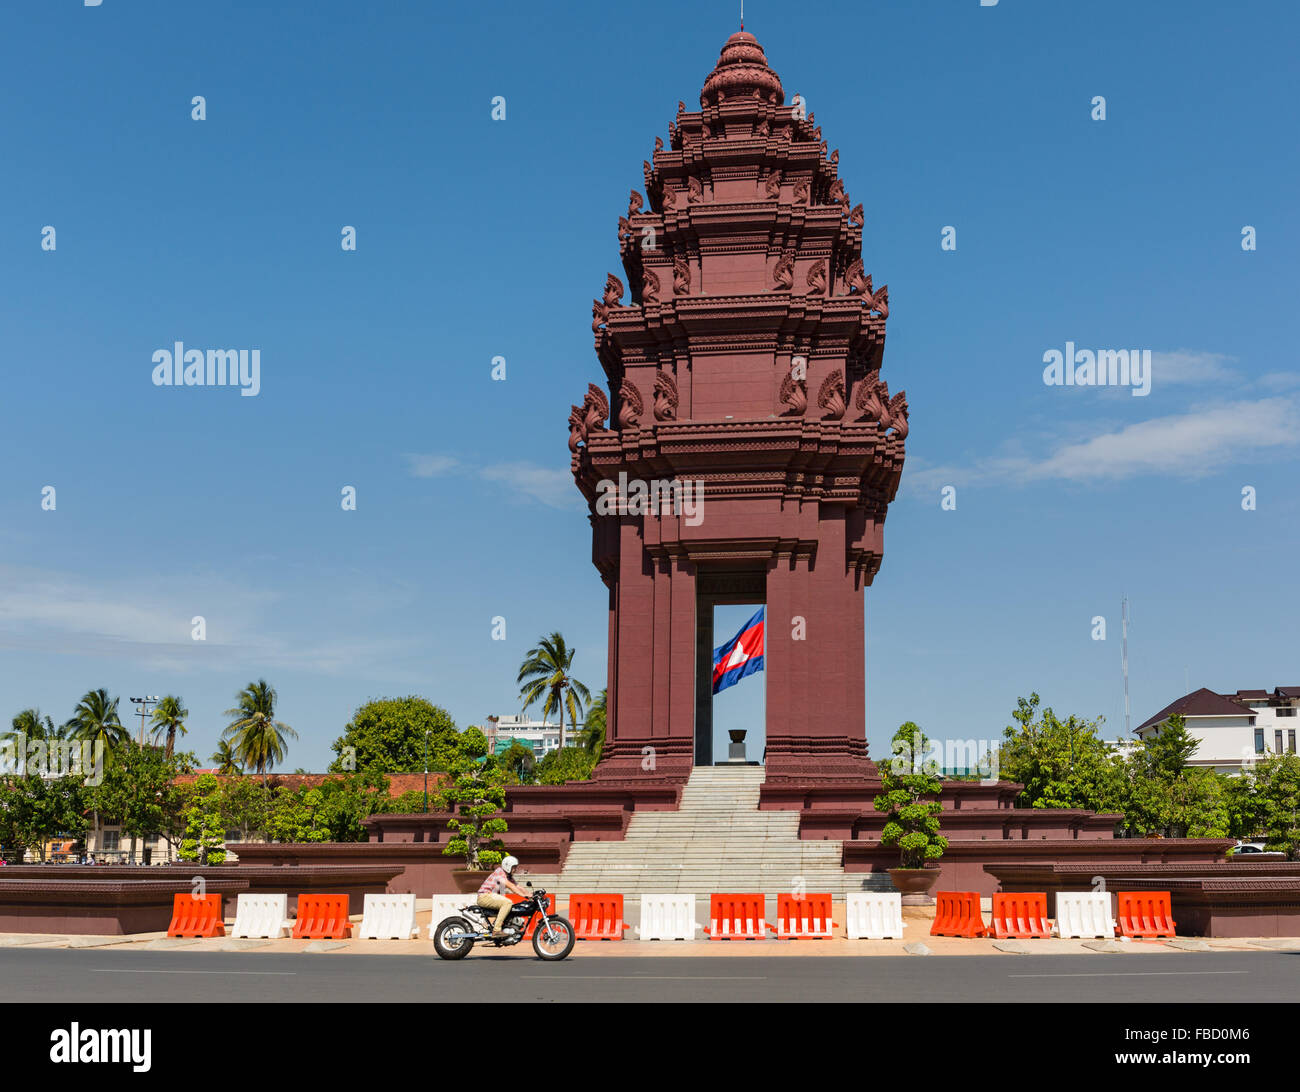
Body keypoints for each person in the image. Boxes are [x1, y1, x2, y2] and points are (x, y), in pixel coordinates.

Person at [475, 855, 529, 938]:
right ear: (508, 866)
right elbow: (511, 886)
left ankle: (505, 927)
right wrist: (524, 895)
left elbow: (517, 886)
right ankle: (496, 930)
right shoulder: (500, 872)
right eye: (514, 867)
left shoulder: (508, 876)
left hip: (491, 897)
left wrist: (531, 894)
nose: (515, 869)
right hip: (484, 896)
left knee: (511, 906)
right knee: (507, 903)